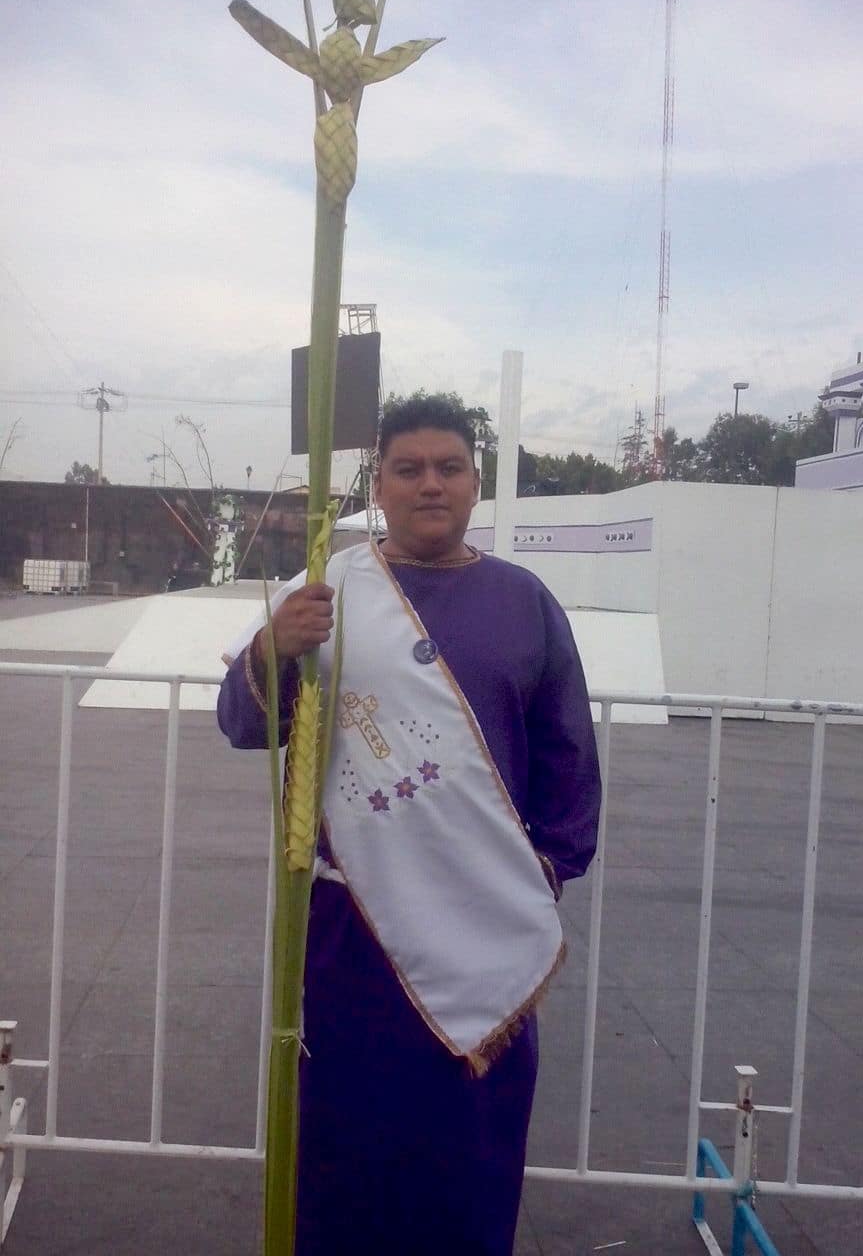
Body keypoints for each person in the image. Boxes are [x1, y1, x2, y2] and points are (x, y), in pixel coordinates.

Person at [217, 396, 601, 1255]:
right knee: (348, 1136)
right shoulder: (327, 592)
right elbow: (244, 725)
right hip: (354, 922)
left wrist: (546, 869)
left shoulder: (524, 602)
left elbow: (568, 752)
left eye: (449, 468)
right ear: (379, 486)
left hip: (486, 911)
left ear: (473, 483)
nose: (431, 484)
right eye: (408, 469)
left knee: (471, 1146)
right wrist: (276, 649)